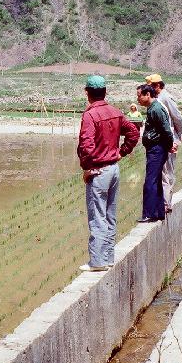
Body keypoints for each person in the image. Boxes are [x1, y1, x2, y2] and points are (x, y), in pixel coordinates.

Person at [77, 75, 139, 272]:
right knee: (110, 215)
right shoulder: (115, 112)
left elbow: (86, 146)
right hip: (113, 169)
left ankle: (97, 262)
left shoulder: (90, 115)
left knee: (97, 216)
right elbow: (133, 133)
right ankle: (108, 257)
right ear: (105, 92)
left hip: (99, 170)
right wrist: (122, 152)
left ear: (87, 93)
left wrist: (88, 168)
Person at [145, 74, 182, 211]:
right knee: (161, 173)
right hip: (162, 142)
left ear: (158, 85)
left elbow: (177, 118)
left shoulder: (165, 98)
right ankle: (163, 202)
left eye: (152, 86)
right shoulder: (157, 100)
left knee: (167, 172)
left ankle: (166, 204)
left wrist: (177, 137)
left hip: (169, 140)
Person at [137, 84, 174, 223]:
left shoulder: (156, 109)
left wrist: (168, 146)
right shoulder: (152, 108)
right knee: (156, 180)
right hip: (156, 149)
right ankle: (158, 212)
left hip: (157, 149)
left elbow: (166, 130)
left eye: (139, 95)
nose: (138, 99)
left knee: (150, 181)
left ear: (148, 95)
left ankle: (149, 213)